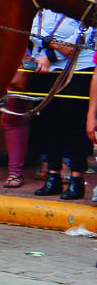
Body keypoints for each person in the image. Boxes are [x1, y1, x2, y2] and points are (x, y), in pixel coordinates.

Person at [26, 11, 94, 200]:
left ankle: (76, 179)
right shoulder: (43, 9)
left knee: (75, 125)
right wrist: (52, 49)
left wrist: (49, 53)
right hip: (45, 70)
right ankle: (53, 175)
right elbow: (32, 32)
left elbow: (76, 43)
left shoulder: (81, 7)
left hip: (78, 69)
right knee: (48, 125)